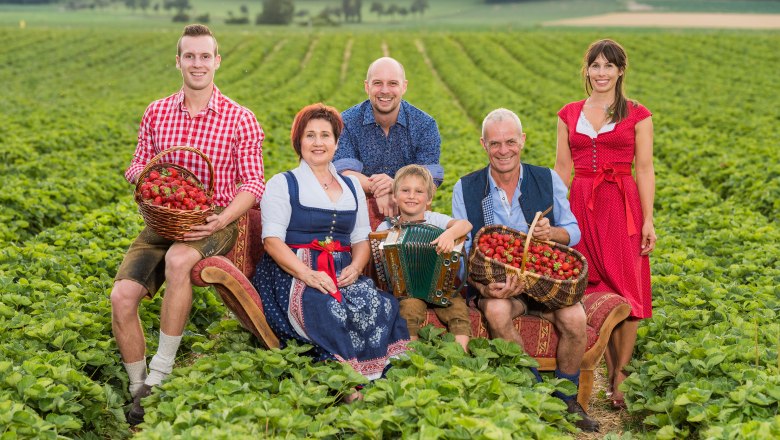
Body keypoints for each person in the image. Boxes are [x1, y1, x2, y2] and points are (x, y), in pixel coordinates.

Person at [111, 24, 265, 426]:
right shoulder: (156, 111)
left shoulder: (240, 119)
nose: (198, 64)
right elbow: (136, 164)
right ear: (178, 61)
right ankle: (137, 386)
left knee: (180, 261)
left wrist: (222, 216)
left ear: (217, 61)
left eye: (205, 56)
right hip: (165, 220)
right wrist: (152, 183)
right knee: (122, 298)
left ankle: (161, 373)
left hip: (215, 220)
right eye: (190, 56)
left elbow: (252, 183)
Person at [452, 108, 599, 432]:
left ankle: (566, 399)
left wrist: (553, 234)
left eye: (510, 141)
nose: (503, 150)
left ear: (523, 141)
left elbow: (573, 230)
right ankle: (535, 394)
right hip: (501, 285)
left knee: (575, 319)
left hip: (546, 284)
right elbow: (464, 253)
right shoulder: (466, 188)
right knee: (498, 312)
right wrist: (482, 287)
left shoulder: (546, 179)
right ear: (483, 145)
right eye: (495, 144)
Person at [251, 103, 410, 402]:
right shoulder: (283, 183)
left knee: (382, 305)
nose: (318, 142)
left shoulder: (351, 185)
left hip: (342, 268)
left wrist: (357, 266)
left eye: (325, 135)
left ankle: (383, 377)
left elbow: (361, 238)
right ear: (299, 141)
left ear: (337, 142)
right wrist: (307, 274)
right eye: (310, 135)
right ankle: (345, 383)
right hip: (293, 268)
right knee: (325, 308)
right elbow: (272, 241)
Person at [554, 39, 655, 411]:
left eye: (608, 66)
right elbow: (563, 169)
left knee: (627, 288)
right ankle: (601, 368)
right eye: (594, 66)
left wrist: (648, 219)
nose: (601, 73)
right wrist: (553, 214)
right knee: (590, 285)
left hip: (621, 203)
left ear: (620, 71)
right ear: (587, 71)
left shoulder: (639, 114)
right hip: (581, 203)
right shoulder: (568, 114)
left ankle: (621, 373)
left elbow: (644, 168)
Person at [334, 56, 443, 230]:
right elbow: (342, 172)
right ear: (367, 86)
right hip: (356, 217)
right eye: (378, 83)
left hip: (410, 216)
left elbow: (430, 178)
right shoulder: (346, 121)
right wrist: (377, 188)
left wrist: (394, 186)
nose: (385, 90)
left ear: (404, 86)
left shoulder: (424, 124)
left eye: (393, 83)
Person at [376, 165, 473, 352]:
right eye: (405, 190)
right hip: (407, 289)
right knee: (409, 309)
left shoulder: (434, 219)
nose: (412, 196)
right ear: (395, 196)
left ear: (428, 199)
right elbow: (380, 256)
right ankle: (410, 356)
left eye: (419, 191)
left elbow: (465, 224)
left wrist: (449, 234)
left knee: (458, 309)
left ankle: (459, 356)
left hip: (440, 285)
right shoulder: (386, 227)